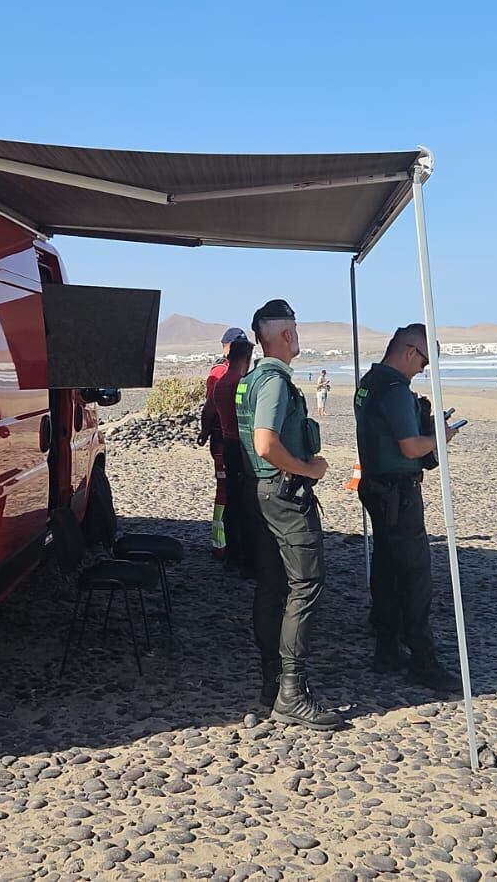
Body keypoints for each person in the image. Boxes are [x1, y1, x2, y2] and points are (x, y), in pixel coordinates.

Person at [236, 298, 340, 730]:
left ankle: (272, 680)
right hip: (283, 494)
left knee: (272, 584)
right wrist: (309, 469)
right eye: (295, 328)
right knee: (306, 585)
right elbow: (266, 444)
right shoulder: (275, 381)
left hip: (261, 493)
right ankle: (291, 693)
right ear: (286, 334)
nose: (299, 336)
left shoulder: (253, 378)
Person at [353, 324, 462, 694]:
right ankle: (422, 658)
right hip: (397, 490)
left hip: (376, 485)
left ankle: (387, 647)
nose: (422, 370)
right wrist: (440, 438)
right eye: (424, 362)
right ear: (410, 350)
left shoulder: (369, 382)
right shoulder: (395, 389)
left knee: (385, 566)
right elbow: (412, 447)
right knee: (415, 574)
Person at [199, 328, 250, 559]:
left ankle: (227, 542)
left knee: (231, 490)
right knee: (226, 491)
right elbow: (210, 407)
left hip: (225, 438)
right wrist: (206, 429)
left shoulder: (226, 373)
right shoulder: (222, 373)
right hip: (225, 439)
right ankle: (221, 544)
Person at [209, 338, 256, 576]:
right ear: (246, 358)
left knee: (232, 499)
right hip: (240, 446)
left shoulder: (221, 383)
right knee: (244, 501)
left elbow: (210, 412)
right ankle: (242, 553)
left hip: (228, 442)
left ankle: (233, 553)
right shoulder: (240, 384)